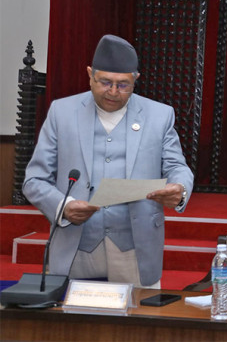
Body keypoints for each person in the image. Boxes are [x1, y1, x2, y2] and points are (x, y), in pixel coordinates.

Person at [23, 34, 194, 288]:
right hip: (76, 246)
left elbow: (177, 166)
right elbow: (34, 180)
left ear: (135, 79)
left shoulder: (159, 115)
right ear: (90, 75)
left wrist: (179, 189)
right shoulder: (62, 112)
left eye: (123, 85)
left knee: (138, 314)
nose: (113, 92)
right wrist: (64, 207)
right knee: (73, 314)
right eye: (105, 82)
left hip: (135, 248)